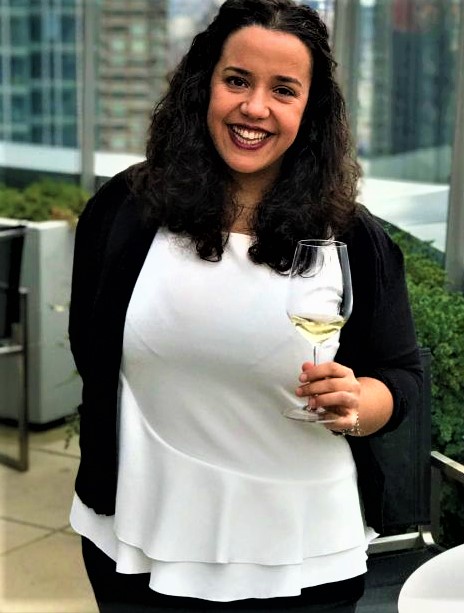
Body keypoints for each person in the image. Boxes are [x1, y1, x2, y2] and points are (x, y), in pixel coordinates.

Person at [67, 1, 423, 610]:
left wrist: (358, 404)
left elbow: (401, 376)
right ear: (203, 85)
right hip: (138, 538)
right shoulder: (125, 209)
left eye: (283, 90)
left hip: (303, 553)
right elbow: (90, 348)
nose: (254, 108)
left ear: (309, 110)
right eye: (237, 80)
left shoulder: (353, 239)